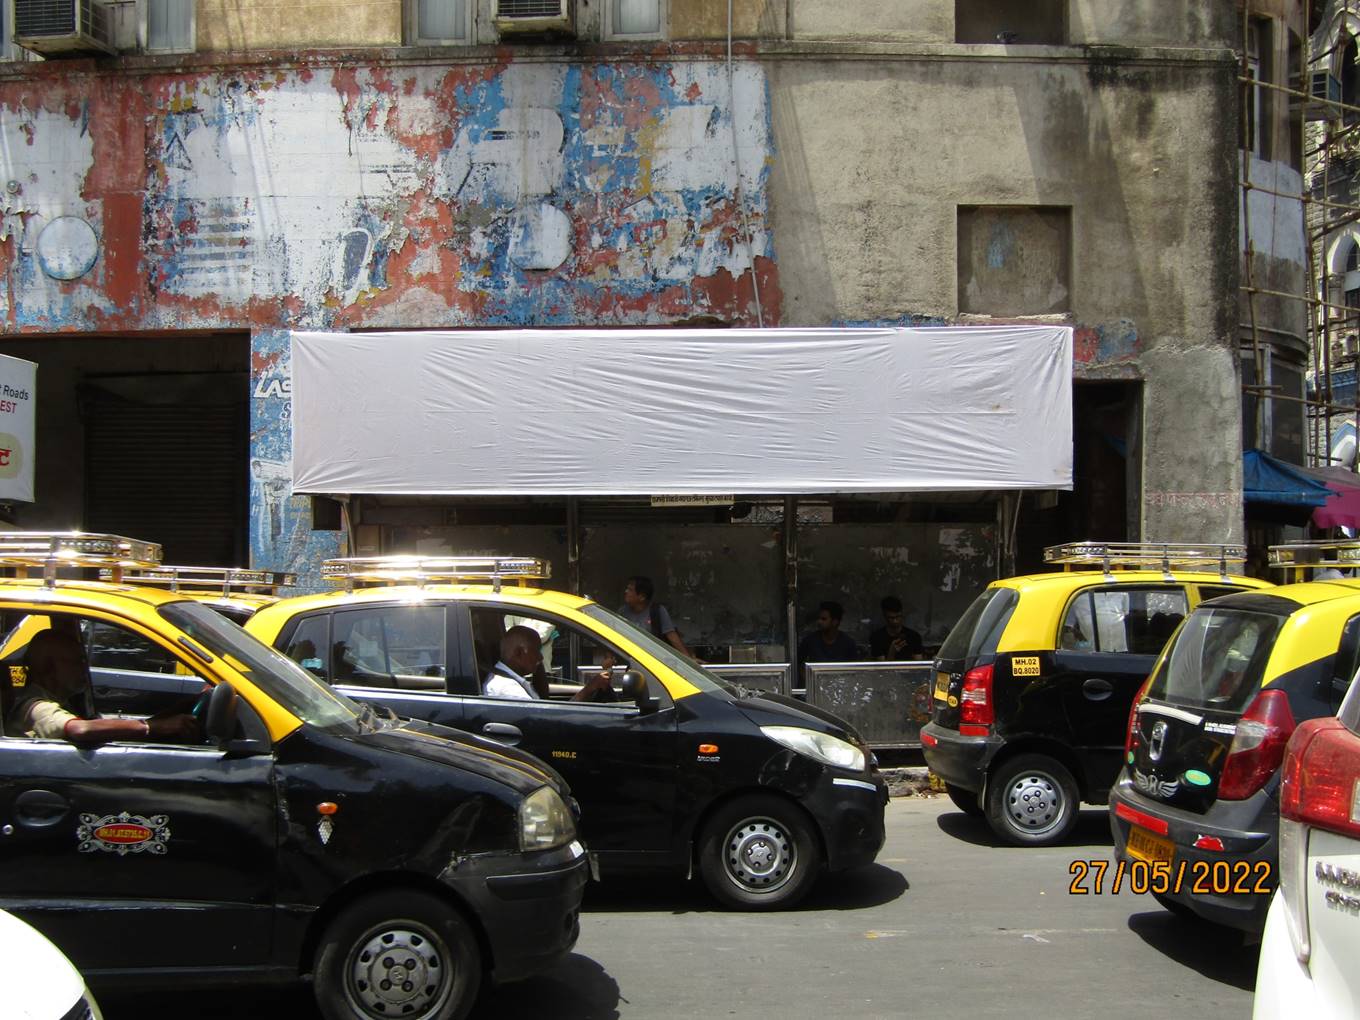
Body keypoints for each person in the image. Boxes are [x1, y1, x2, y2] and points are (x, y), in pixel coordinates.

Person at [4, 628, 199, 744]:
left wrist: (182, 708)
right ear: (48, 666)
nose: (83, 669)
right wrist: (151, 727)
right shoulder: (36, 706)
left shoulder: (62, 701)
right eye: (74, 662)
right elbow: (81, 729)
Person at [483, 625, 612, 702]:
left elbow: (544, 706)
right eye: (536, 651)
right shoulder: (507, 689)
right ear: (518, 653)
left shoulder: (512, 680)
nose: (540, 657)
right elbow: (546, 722)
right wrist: (588, 690)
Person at [620, 575, 695, 658]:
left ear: (642, 597)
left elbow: (671, 635)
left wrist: (687, 658)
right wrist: (609, 657)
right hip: (631, 659)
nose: (626, 591)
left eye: (630, 590)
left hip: (654, 660)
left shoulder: (657, 611)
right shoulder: (623, 612)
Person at [797, 601, 859, 669]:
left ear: (835, 622)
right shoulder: (809, 641)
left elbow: (855, 670)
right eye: (819, 618)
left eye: (824, 619)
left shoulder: (848, 643)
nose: (819, 622)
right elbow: (799, 666)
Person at [869, 595, 925, 660]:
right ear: (885, 616)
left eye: (898, 616)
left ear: (902, 614)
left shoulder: (913, 636)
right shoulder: (877, 638)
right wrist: (892, 652)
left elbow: (919, 664)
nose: (895, 621)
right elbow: (883, 668)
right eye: (891, 618)